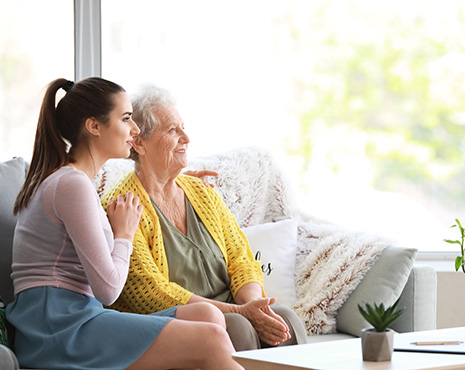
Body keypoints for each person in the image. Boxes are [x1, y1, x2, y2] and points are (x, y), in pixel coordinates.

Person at [7, 77, 243, 370]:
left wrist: (173, 181)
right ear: (94, 126)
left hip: (76, 316)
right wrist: (124, 234)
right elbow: (108, 290)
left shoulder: (75, 182)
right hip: (57, 327)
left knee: (207, 315)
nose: (135, 129)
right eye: (126, 118)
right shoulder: (71, 184)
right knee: (210, 338)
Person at [101, 84, 308, 351]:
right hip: (181, 320)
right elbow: (152, 294)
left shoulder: (202, 193)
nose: (186, 137)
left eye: (183, 127)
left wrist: (254, 307)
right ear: (139, 142)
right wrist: (242, 314)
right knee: (236, 327)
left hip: (234, 305)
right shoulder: (123, 206)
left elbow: (241, 258)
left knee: (285, 319)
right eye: (173, 130)